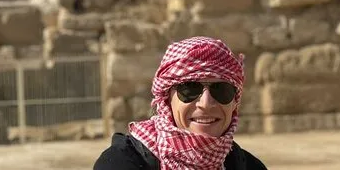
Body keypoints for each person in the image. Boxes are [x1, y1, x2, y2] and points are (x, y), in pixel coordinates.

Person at [94, 36, 268, 170]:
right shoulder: (121, 163)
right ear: (167, 100)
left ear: (235, 102)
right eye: (189, 89)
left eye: (221, 90)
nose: (206, 103)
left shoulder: (249, 166)